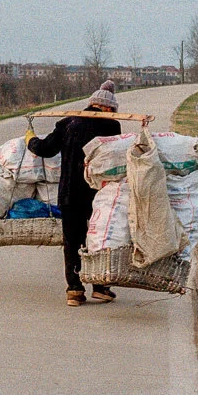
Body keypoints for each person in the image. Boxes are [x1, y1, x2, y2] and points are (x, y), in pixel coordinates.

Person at [28, 79, 125, 306]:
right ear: (107, 108)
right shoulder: (112, 126)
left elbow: (45, 149)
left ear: (91, 104)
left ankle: (74, 290)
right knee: (98, 239)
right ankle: (100, 287)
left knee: (73, 241)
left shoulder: (68, 123)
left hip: (70, 194)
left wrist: (30, 140)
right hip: (98, 196)